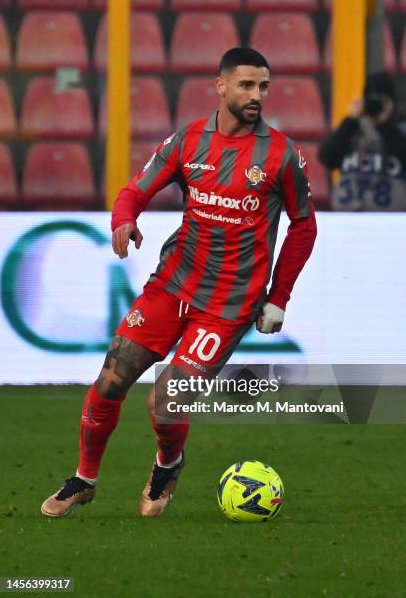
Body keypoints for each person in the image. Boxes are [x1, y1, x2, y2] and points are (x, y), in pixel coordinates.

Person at [41, 47, 317, 518]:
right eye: (247, 85)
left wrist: (279, 297)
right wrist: (124, 220)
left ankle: (168, 465)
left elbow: (303, 225)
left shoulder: (281, 154)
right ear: (222, 86)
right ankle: (84, 479)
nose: (257, 95)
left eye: (264, 86)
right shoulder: (189, 141)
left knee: (164, 398)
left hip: (229, 304)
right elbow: (134, 190)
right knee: (111, 379)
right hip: (172, 285)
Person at [318, 71, 406, 211]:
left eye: (382, 101)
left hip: (391, 223)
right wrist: (350, 121)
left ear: (392, 103)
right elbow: (327, 158)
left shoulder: (400, 131)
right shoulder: (350, 131)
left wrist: (384, 125)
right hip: (348, 219)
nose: (376, 106)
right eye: (371, 100)